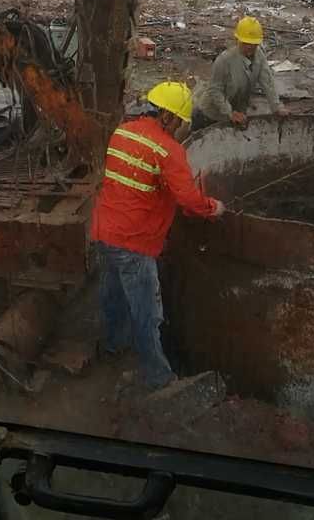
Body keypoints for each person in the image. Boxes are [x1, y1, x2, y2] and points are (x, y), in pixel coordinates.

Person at [91, 81, 225, 391]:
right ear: (170, 117)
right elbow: (189, 200)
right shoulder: (169, 150)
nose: (180, 128)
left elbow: (134, 181)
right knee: (147, 313)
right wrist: (213, 208)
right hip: (135, 243)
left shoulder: (121, 132)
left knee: (112, 295)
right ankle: (158, 377)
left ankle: (113, 346)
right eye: (181, 121)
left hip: (103, 231)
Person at [192, 16, 288, 129]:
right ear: (238, 40)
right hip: (210, 114)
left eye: (253, 44)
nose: (249, 47)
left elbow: (267, 82)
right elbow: (215, 90)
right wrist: (229, 112)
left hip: (237, 113)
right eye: (246, 43)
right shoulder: (224, 60)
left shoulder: (259, 56)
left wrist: (277, 106)